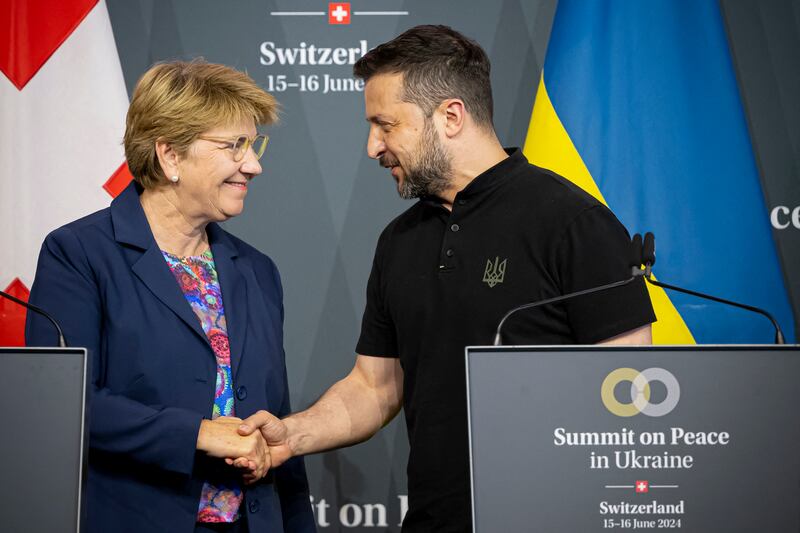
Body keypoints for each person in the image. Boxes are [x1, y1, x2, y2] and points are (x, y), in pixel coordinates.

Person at [237, 25, 656, 532]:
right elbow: (374, 387)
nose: (373, 146)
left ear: (451, 116)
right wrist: (292, 435)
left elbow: (630, 395)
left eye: (385, 125)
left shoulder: (573, 223)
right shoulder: (399, 240)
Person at [25, 60, 316, 533]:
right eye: (234, 146)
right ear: (170, 156)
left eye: (254, 144)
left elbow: (273, 424)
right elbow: (60, 403)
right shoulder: (79, 254)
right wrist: (198, 434)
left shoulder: (257, 271)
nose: (254, 164)